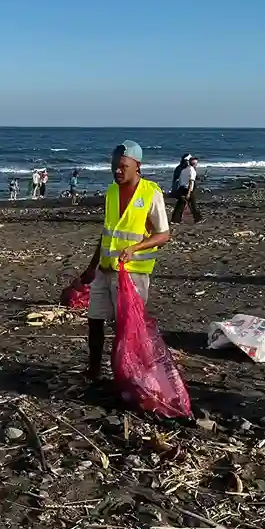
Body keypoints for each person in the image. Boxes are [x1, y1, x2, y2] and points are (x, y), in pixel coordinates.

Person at [80, 141, 171, 382]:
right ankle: (94, 369)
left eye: (123, 166)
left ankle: (128, 372)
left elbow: (164, 234)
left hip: (133, 274)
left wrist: (135, 248)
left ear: (137, 166)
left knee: (127, 327)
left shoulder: (151, 193)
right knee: (95, 321)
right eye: (114, 166)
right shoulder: (111, 192)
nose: (117, 171)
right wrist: (91, 267)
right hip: (106, 269)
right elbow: (107, 232)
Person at [171, 156, 203, 224]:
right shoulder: (192, 170)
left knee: (180, 205)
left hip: (181, 188)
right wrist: (189, 193)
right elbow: (191, 182)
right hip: (187, 189)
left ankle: (175, 220)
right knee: (193, 205)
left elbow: (180, 181)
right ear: (195, 164)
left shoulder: (184, 170)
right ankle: (198, 219)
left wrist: (178, 191)